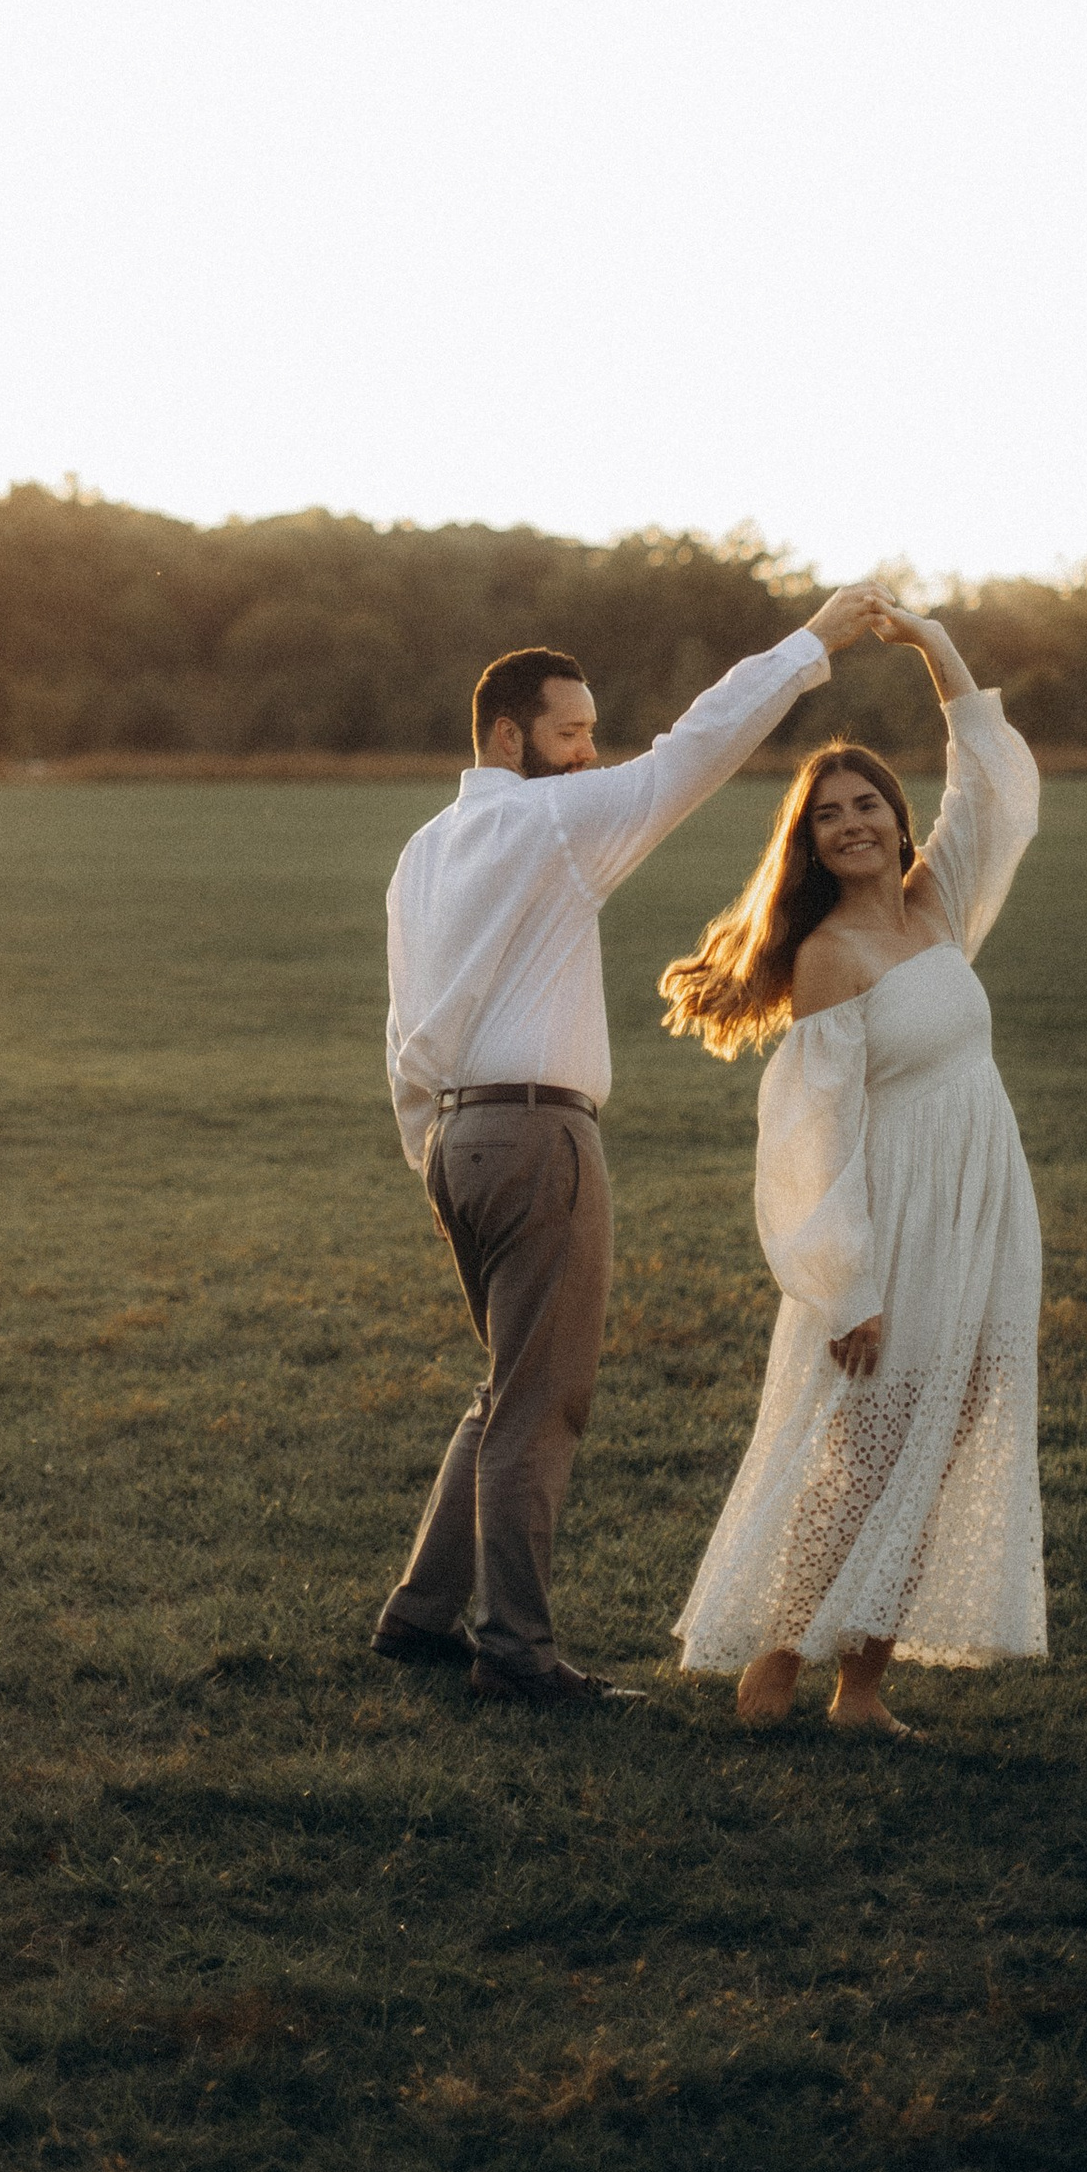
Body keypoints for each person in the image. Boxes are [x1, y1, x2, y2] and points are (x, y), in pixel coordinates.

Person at [374, 583, 894, 1711]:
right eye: (572, 732)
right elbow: (694, 749)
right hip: (535, 1135)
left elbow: (398, 1016)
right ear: (509, 737)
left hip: (455, 1139)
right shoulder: (551, 822)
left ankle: (419, 1615)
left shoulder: (424, 849)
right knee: (540, 1400)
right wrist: (812, 645)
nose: (590, 752)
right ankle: (513, 1651)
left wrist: (433, 1146)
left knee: (501, 1384)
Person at [662, 606, 1045, 1734]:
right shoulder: (829, 960)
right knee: (863, 1457)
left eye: (865, 804)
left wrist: (934, 644)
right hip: (895, 1227)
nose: (850, 825)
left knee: (935, 1446)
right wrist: (849, 1285)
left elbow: (993, 785)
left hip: (983, 1206)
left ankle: (861, 1690)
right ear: (807, 843)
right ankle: (773, 1666)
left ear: (894, 813)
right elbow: (808, 1141)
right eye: (825, 817)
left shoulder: (939, 907)